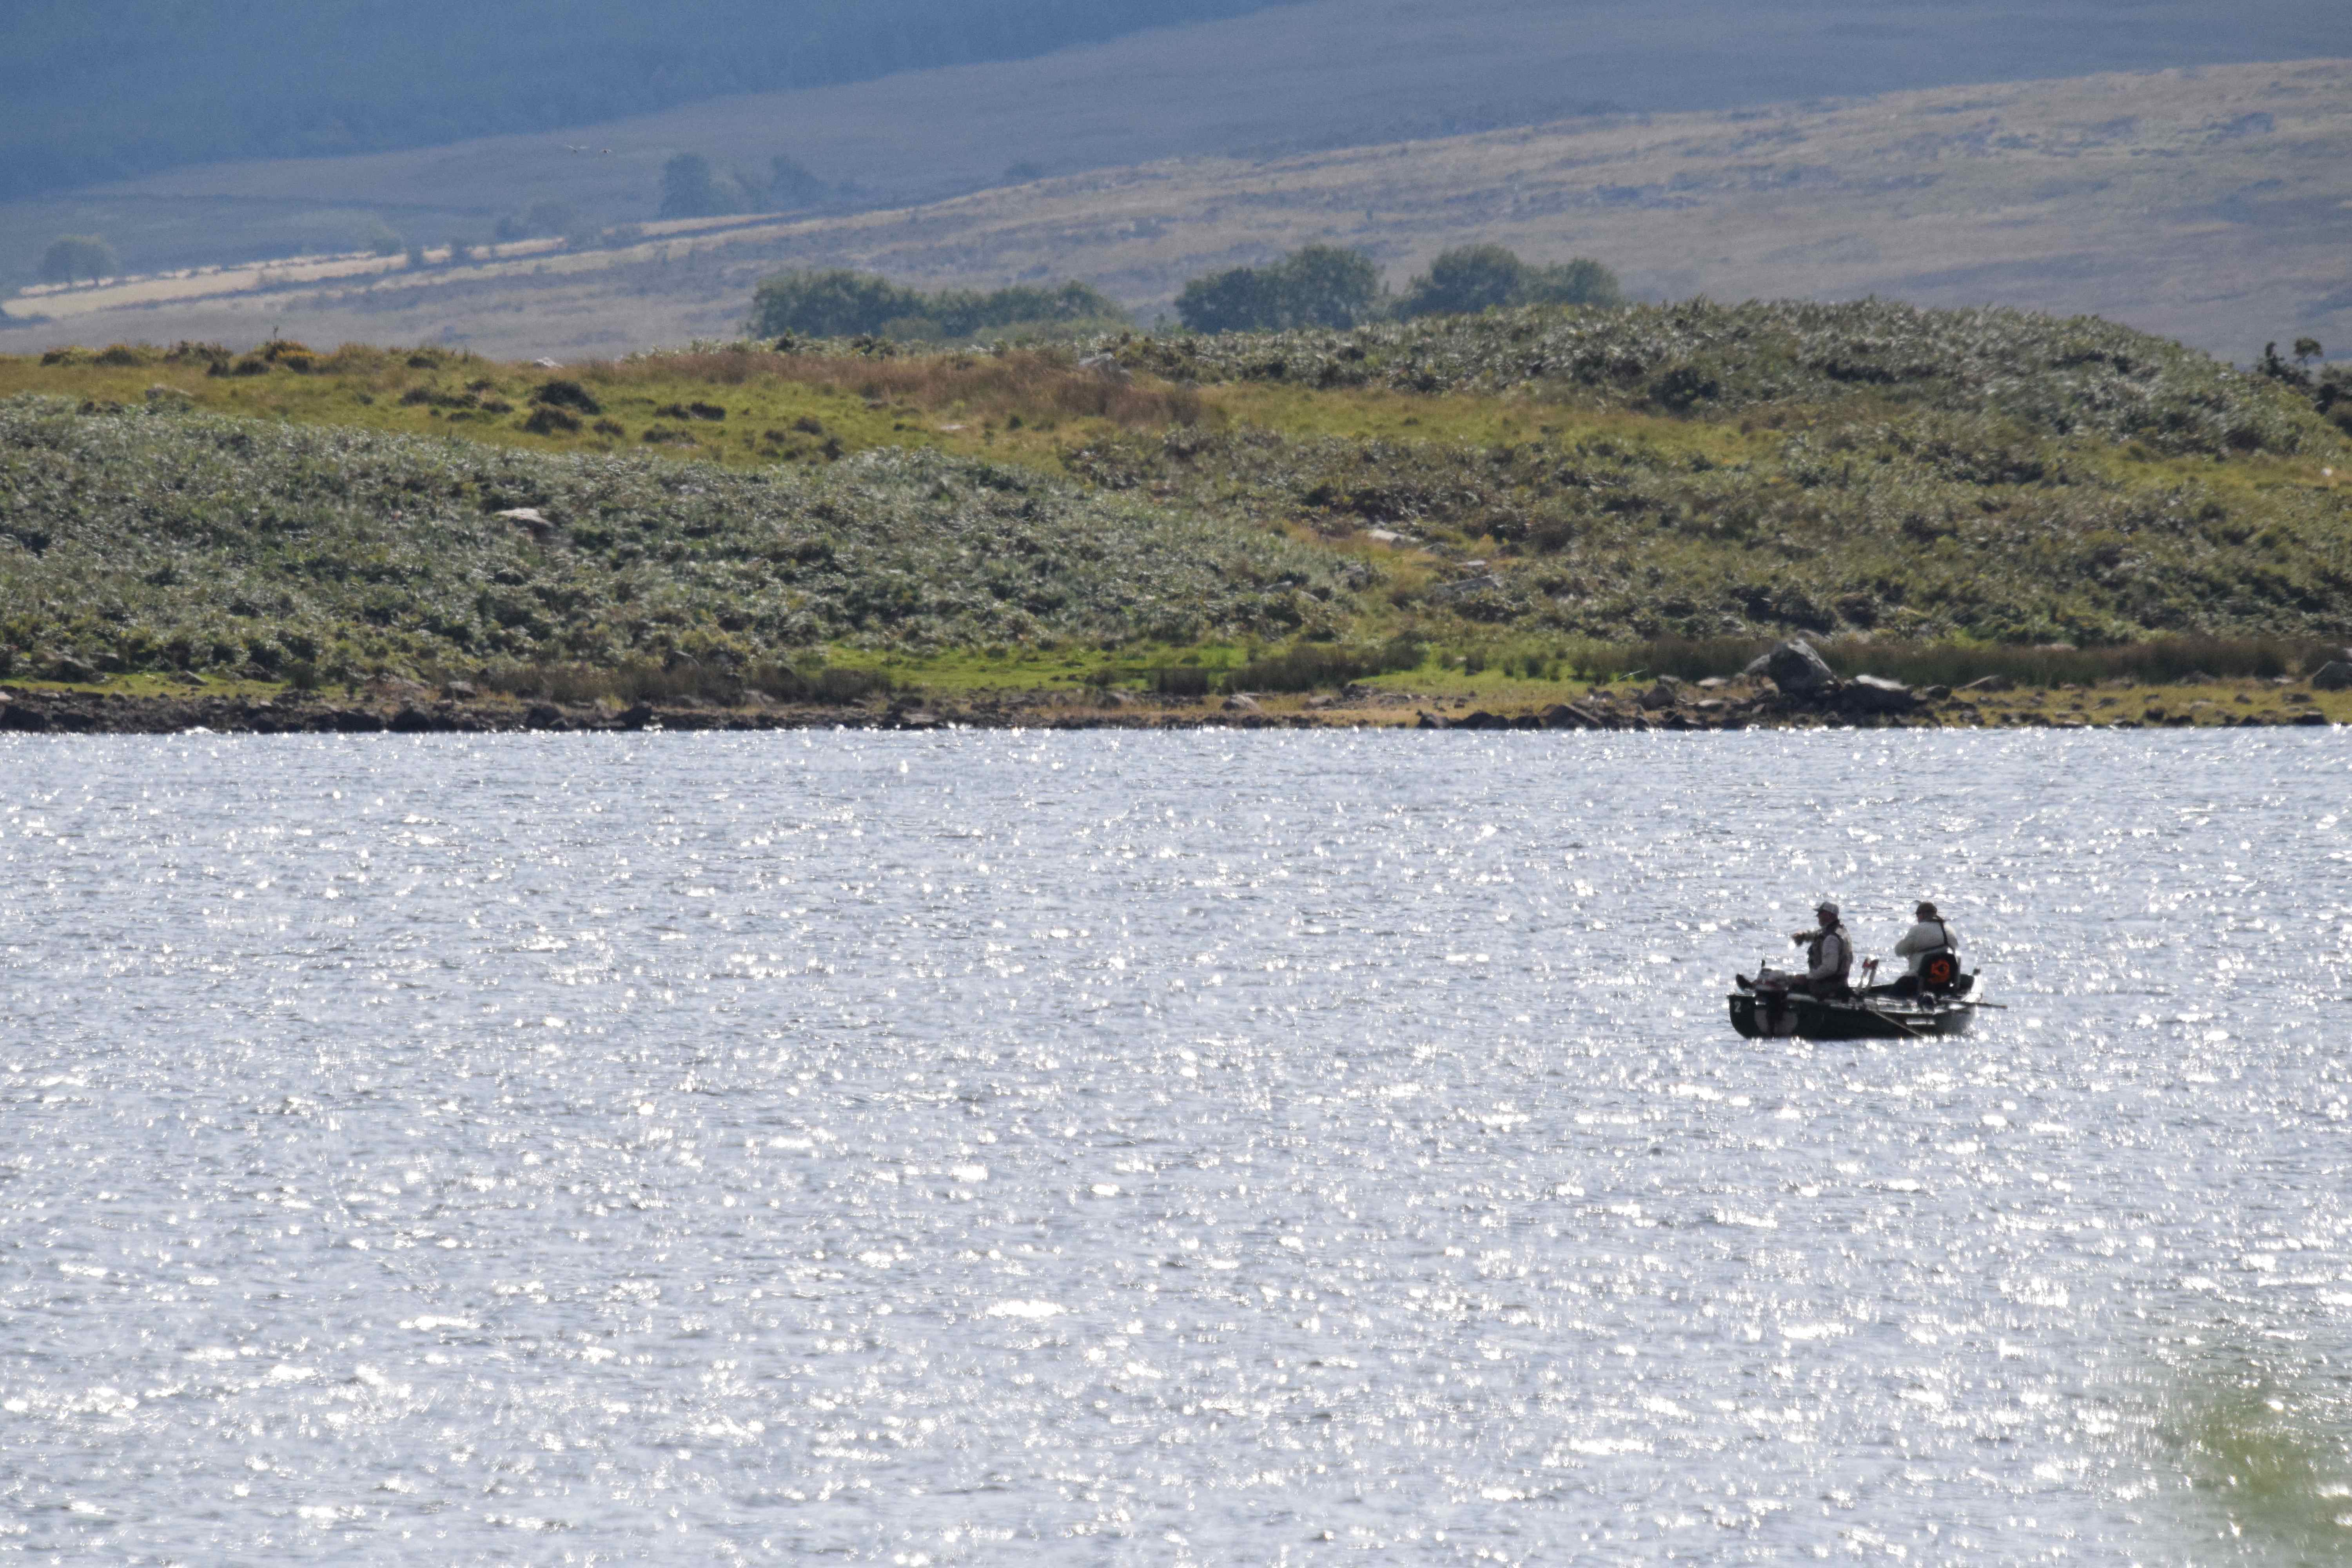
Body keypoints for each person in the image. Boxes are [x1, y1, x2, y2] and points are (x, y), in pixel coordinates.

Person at [1740, 902, 1853, 1000]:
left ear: (1829, 915)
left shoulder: (1831, 939)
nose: (1818, 916)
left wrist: (1808, 977)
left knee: (1785, 981)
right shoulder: (1839, 931)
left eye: (1821, 913)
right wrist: (1804, 936)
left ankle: (1756, 989)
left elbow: (1829, 968)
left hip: (1827, 985)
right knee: (1790, 979)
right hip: (1838, 983)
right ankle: (1755, 986)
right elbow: (1819, 935)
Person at [1890, 900, 1961, 995]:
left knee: (1892, 994)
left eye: (1917, 916)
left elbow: (1900, 951)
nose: (1917, 919)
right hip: (1945, 980)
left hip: (1919, 981)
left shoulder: (1918, 930)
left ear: (1922, 915)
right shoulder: (1950, 929)